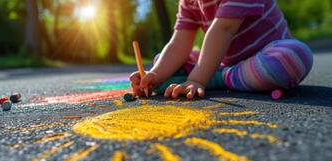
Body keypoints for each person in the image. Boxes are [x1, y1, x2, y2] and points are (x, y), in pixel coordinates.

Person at [130, 0, 313, 100]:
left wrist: (197, 79)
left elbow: (224, 28)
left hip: (268, 55)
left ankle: (218, 77)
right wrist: (154, 76)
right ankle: (212, 74)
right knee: (161, 61)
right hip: (232, 64)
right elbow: (179, 42)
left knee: (295, 57)